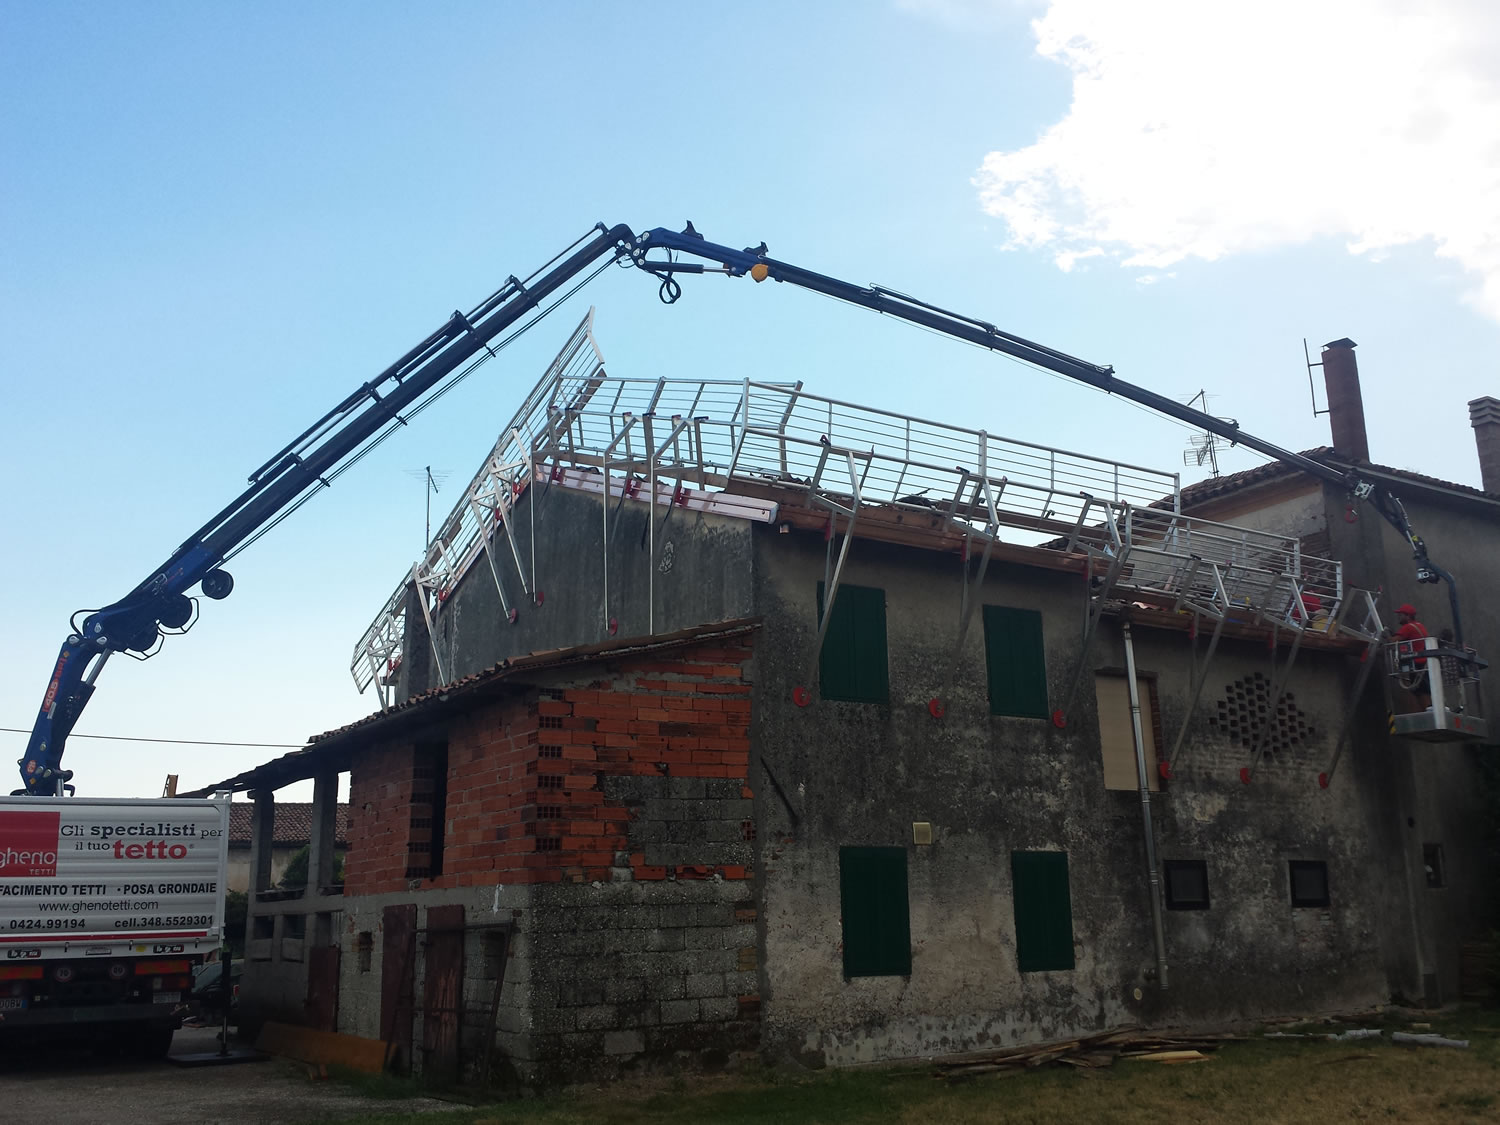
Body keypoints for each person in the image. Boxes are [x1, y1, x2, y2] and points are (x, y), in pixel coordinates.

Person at [1394, 604, 1431, 709]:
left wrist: (1386, 634)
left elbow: (1393, 640)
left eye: (1400, 614)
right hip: (1424, 664)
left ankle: (1427, 712)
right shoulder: (1419, 626)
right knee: (1422, 691)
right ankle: (1428, 711)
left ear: (1408, 616)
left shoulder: (1408, 627)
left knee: (1420, 692)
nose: (1398, 617)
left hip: (1417, 665)